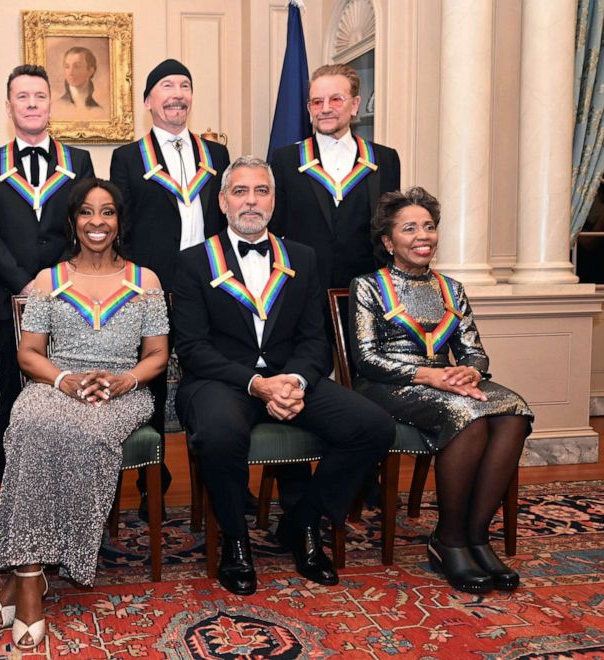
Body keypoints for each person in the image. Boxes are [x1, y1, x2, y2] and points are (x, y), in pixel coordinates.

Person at [172, 156, 394, 595]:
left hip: (291, 378)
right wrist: (256, 384)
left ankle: (302, 523)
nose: (251, 201)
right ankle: (236, 542)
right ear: (222, 202)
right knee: (218, 435)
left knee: (373, 427)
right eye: (240, 191)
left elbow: (316, 339)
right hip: (222, 381)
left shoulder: (305, 258)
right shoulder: (194, 262)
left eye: (261, 191)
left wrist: (295, 381)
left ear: (274, 200)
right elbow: (193, 349)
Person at [0, 178, 169, 650]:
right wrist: (64, 379)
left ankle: (30, 566)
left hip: (122, 391)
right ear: (72, 220)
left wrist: (125, 380)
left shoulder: (145, 281)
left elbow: (156, 355)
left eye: (107, 212)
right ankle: (29, 575)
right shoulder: (49, 280)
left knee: (87, 434)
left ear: (119, 221)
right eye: (87, 212)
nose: (97, 222)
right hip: (55, 382)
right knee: (28, 424)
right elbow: (29, 353)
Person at [349, 187, 533, 594]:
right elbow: (366, 359)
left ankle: (477, 536)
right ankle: (448, 540)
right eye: (409, 228)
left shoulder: (452, 288)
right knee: (467, 415)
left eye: (429, 227)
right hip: (386, 385)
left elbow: (474, 352)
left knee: (514, 410)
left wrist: (468, 371)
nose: (422, 236)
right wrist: (430, 376)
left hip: (447, 381)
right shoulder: (367, 286)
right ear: (388, 241)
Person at [109, 59, 230, 516]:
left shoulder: (216, 155)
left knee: (213, 381)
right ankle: (151, 483)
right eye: (166, 86)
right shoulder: (128, 157)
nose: (177, 93)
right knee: (151, 387)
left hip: (211, 288)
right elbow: (121, 228)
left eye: (185, 85)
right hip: (152, 291)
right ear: (148, 101)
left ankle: (217, 476)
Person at [0, 64, 95, 483]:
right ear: (9, 106)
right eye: (22, 97)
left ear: (50, 104)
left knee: (67, 390)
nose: (31, 104)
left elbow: (87, 226)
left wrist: (53, 283)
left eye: (39, 96)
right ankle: (13, 479)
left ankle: (67, 477)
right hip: (11, 300)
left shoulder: (78, 160)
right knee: (13, 388)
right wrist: (26, 285)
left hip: (69, 297)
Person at [269, 63, 400, 292]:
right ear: (309, 109)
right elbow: (275, 229)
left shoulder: (385, 159)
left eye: (336, 99)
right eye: (317, 102)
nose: (325, 108)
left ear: (355, 105)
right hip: (303, 291)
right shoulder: (285, 160)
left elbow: (391, 231)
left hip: (368, 293)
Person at [56, 46, 107, 120]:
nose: (70, 72)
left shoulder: (99, 111)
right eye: (67, 67)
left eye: (77, 66)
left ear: (90, 70)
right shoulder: (56, 107)